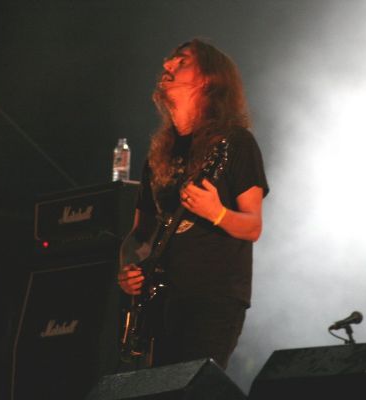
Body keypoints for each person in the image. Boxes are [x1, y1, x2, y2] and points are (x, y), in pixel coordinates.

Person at [118, 38, 268, 369]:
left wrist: (217, 212)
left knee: (192, 387)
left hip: (212, 299)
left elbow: (253, 226)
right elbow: (139, 234)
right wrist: (127, 267)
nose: (167, 65)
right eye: (169, 60)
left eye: (182, 61)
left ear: (209, 78)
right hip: (160, 300)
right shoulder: (159, 154)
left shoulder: (236, 143)